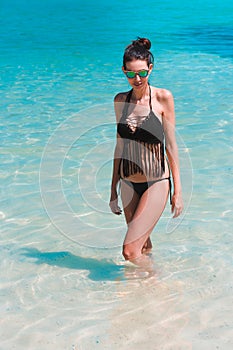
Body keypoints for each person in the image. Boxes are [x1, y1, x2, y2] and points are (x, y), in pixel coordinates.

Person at [109, 37, 183, 268]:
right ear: (124, 71)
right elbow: (120, 145)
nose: (137, 79)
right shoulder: (121, 100)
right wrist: (113, 189)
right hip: (128, 183)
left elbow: (171, 145)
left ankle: (159, 285)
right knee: (143, 247)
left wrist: (177, 191)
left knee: (129, 251)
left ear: (150, 68)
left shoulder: (163, 98)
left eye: (142, 73)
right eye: (130, 74)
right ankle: (146, 294)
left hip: (156, 182)